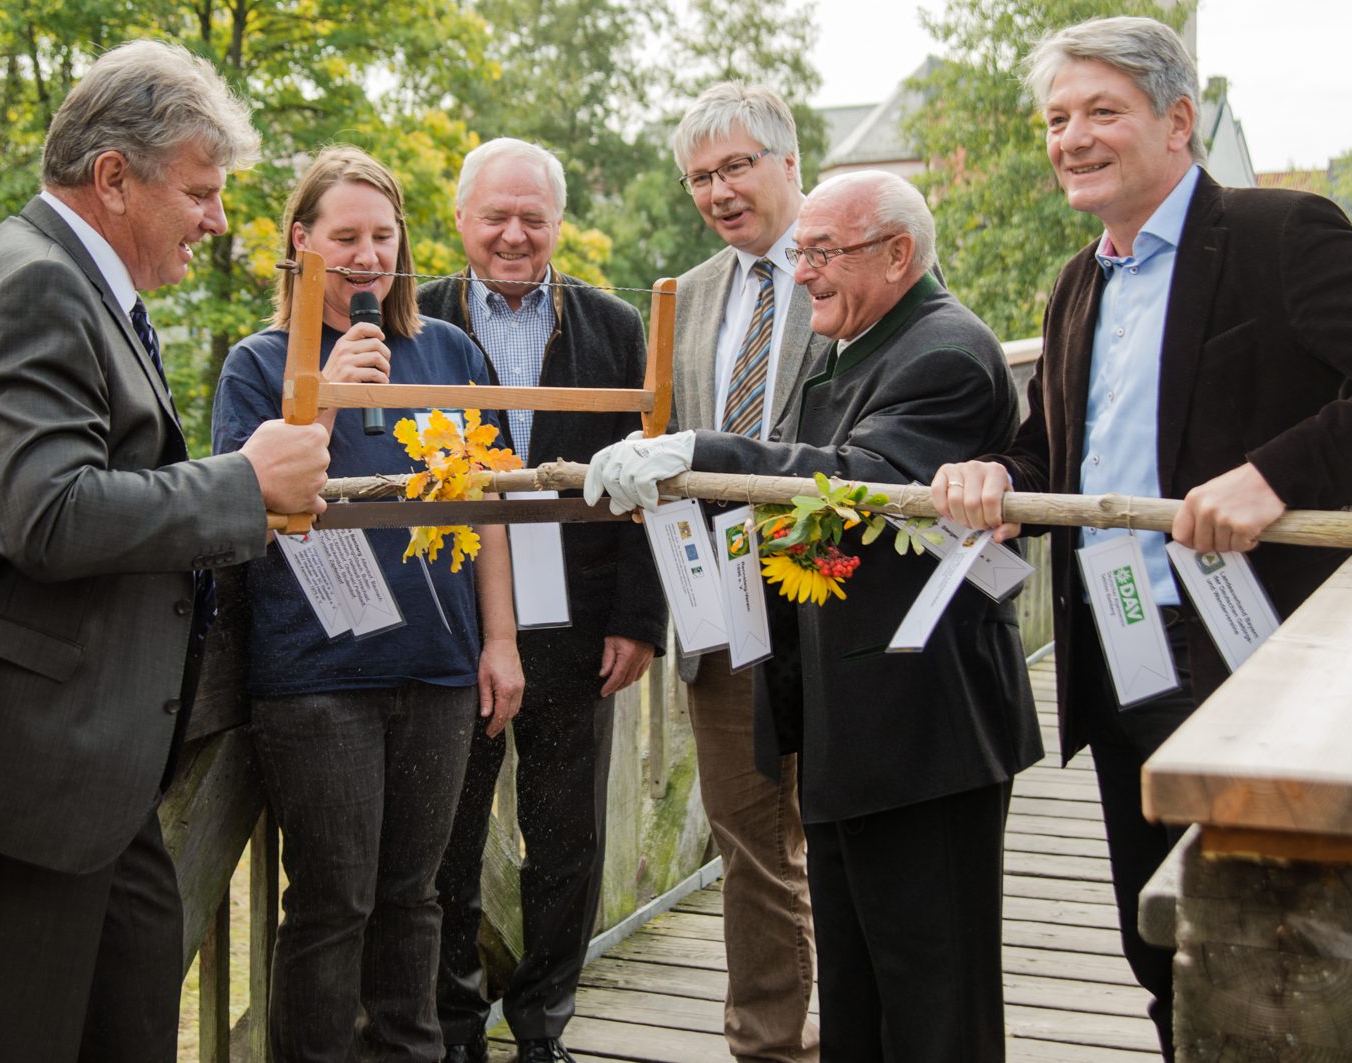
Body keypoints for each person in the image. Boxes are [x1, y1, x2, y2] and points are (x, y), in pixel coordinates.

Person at [930, 16, 1352, 1054]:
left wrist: (1274, 474)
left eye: (1101, 112)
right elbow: (1052, 455)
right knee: (1149, 947)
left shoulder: (1276, 234)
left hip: (1251, 652)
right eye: (1056, 119)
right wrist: (992, 477)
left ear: (1177, 119)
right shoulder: (1077, 282)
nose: (1071, 138)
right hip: (1111, 649)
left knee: (1257, 953)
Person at [0, 40, 331, 1063]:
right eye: (199, 191)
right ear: (114, 177)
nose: (217, 219)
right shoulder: (34, 286)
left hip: (80, 774)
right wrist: (244, 481)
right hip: (29, 766)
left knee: (130, 1000)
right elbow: (50, 514)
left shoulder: (62, 281)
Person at [586, 171, 1043, 1062]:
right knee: (862, 981)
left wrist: (700, 452)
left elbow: (855, 478)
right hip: (854, 719)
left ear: (898, 253)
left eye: (823, 253)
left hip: (925, 728)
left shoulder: (945, 352)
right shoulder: (857, 345)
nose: (802, 275)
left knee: (932, 986)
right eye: (801, 253)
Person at [212, 145, 524, 1063]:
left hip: (435, 664)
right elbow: (250, 514)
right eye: (344, 236)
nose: (365, 255)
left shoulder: (451, 351)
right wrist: (326, 399)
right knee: (332, 899)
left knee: (413, 896)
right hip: (319, 677)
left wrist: (499, 638)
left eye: (382, 236)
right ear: (300, 243)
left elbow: (488, 503)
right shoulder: (257, 362)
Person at [419, 137, 667, 1063]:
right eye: (496, 216)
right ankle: (453, 1030)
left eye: (534, 218)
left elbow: (653, 476)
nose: (515, 235)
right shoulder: (423, 322)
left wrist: (641, 618)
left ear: (559, 224)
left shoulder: (612, 325)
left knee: (567, 840)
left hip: (580, 616)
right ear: (460, 220)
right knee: (447, 838)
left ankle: (543, 1027)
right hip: (454, 621)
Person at [664, 80, 822, 1062]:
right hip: (716, 604)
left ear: (787, 162)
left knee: (842, 833)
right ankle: (765, 1041)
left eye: (735, 167)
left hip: (829, 594)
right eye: (699, 177)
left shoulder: (859, 261)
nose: (718, 191)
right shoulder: (684, 297)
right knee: (747, 840)